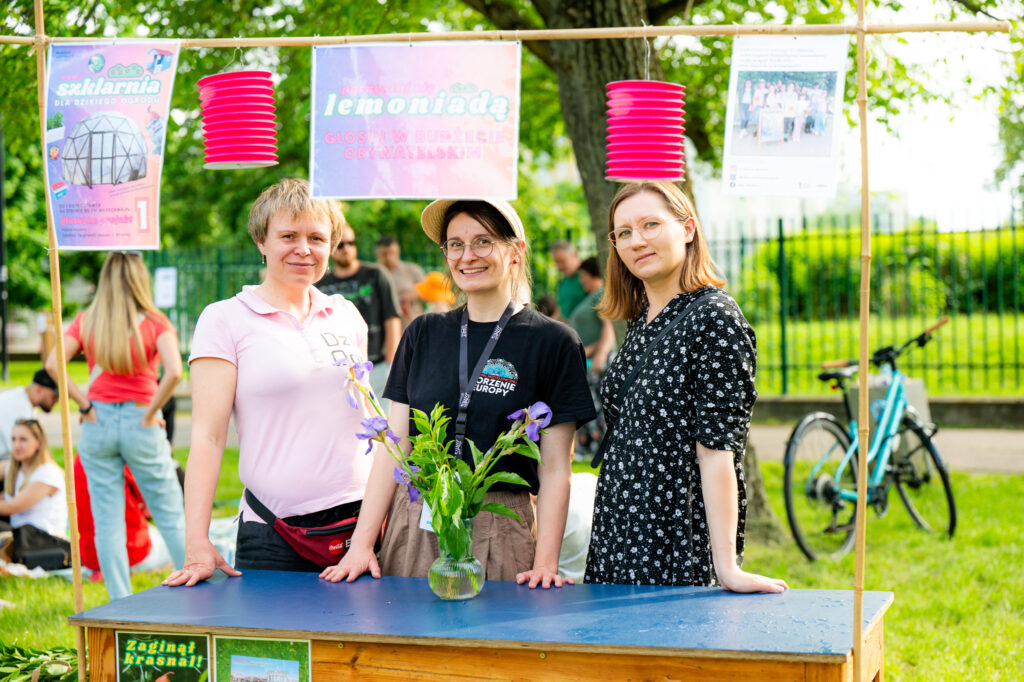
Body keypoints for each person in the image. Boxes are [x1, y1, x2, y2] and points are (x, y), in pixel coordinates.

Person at [325, 199, 595, 589]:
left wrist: (546, 564)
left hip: (499, 525)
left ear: (515, 251)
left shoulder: (553, 342)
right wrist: (363, 544)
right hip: (416, 519)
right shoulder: (422, 333)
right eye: (455, 244)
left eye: (483, 241)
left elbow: (555, 469)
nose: (467, 256)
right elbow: (394, 445)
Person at [163, 178, 372, 587]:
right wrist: (196, 540)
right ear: (262, 241)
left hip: (362, 531)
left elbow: (367, 419)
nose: (304, 249)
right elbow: (207, 438)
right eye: (288, 236)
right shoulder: (225, 319)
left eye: (317, 238)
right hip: (276, 535)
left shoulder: (347, 314)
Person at [584, 181, 787, 593]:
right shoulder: (642, 319)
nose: (637, 240)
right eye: (623, 232)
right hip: (620, 521)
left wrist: (727, 567)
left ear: (688, 229)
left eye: (650, 225)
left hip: (672, 526)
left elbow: (717, 451)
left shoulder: (714, 318)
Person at [45, 252, 186, 600]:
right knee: (170, 513)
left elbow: (52, 364)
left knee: (107, 522)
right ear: (140, 280)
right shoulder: (156, 322)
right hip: (141, 421)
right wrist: (152, 411)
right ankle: (197, 593)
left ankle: (119, 602)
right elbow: (175, 371)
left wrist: (84, 404)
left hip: (98, 423)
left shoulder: (88, 320)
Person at [317, 224, 401, 403]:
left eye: (351, 243)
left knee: (382, 419)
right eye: (340, 244)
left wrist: (391, 365)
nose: (346, 248)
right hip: (339, 373)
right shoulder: (321, 285)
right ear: (330, 248)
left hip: (377, 366)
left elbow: (392, 317)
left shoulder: (375, 274)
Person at [0, 419, 70, 568]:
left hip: (43, 538)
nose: (17, 445)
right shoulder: (13, 468)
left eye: (23, 440)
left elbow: (12, 507)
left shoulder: (48, 472)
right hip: (20, 534)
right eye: (13, 439)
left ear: (38, 443)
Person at [567, 257, 616, 373]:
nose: (580, 280)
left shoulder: (601, 293)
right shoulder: (591, 296)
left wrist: (601, 354)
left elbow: (609, 325)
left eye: (583, 276)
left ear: (593, 274)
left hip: (599, 363)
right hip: (588, 360)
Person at [0, 369, 59, 464]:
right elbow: (20, 452)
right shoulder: (18, 407)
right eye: (54, 396)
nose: (57, 401)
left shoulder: (23, 400)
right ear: (39, 390)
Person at [375, 234, 427, 327]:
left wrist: (415, 293)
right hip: (382, 324)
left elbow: (431, 291)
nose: (389, 258)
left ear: (398, 251)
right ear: (377, 253)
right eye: (384, 254)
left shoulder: (412, 270)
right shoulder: (373, 273)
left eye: (392, 253)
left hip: (411, 323)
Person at [550, 241, 586, 322]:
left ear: (574, 255)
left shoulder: (588, 276)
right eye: (556, 262)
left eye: (562, 261)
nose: (559, 267)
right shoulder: (564, 282)